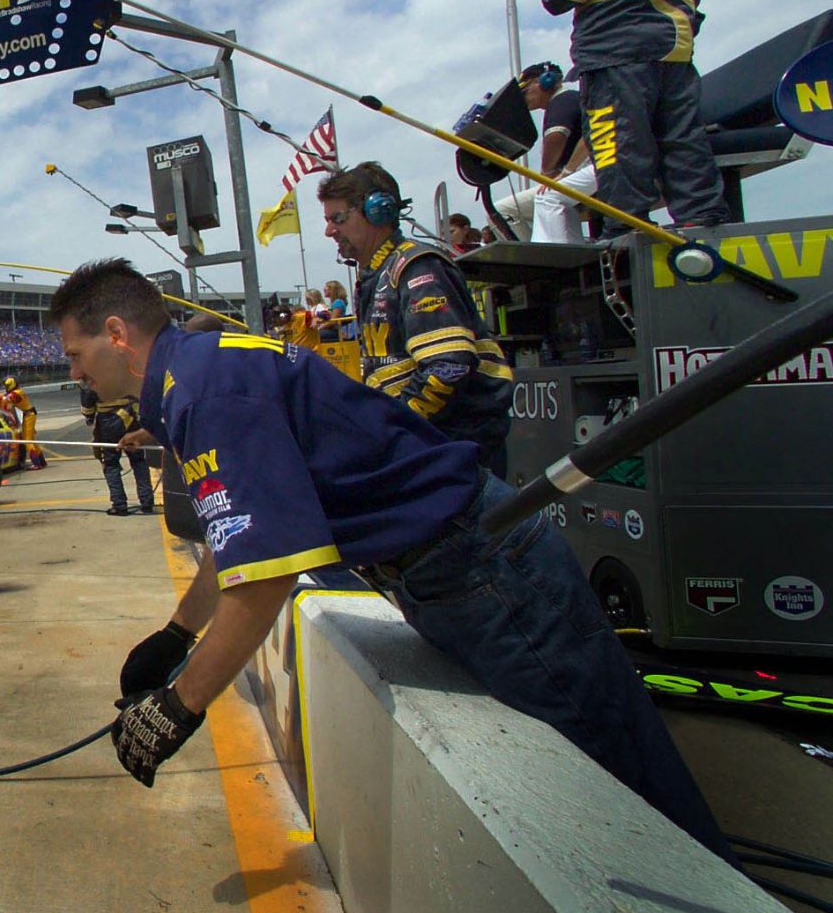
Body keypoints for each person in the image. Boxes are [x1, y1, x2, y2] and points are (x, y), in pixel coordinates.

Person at [52, 258, 734, 862]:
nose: (75, 372)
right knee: (601, 787)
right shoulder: (199, 371)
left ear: (116, 332)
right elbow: (244, 534)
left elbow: (267, 573)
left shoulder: (202, 391)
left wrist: (180, 704)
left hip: (484, 569)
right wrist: (177, 634)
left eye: (76, 353)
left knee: (624, 791)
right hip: (456, 568)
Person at [541, 0, 728, 229]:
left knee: (619, 145)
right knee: (683, 137)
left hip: (613, 56)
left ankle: (628, 227)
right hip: (674, 53)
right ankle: (702, 218)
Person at [320, 162, 514, 477]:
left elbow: (447, 367)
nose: (329, 231)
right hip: (431, 444)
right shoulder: (376, 276)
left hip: (456, 447)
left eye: (337, 218)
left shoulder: (416, 268)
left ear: (377, 212)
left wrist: (392, 431)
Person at [519, 60, 596, 243]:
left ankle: (551, 258)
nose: (523, 97)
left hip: (602, 165)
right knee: (556, 198)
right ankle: (575, 252)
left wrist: (548, 173)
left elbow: (556, 136)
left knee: (546, 197)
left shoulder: (562, 100)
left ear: (545, 81)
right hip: (601, 165)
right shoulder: (572, 100)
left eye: (525, 90)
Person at [81, 385, 153, 516]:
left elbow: (87, 395)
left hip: (108, 421)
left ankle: (119, 505)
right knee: (138, 460)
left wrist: (89, 416)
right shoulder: (125, 366)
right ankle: (147, 502)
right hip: (131, 416)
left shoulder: (94, 370)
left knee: (110, 464)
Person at [0, 376, 46, 469]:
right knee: (32, 440)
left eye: (6, 386)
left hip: (29, 416)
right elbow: (5, 397)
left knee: (27, 440)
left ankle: (36, 463)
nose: (5, 388)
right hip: (29, 415)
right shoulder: (17, 391)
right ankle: (41, 462)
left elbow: (5, 400)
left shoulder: (16, 394)